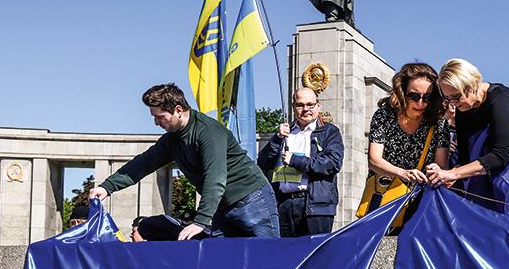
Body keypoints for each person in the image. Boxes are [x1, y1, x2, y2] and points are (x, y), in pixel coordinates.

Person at [89, 83, 279, 239]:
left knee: (268, 259)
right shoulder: (172, 139)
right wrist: (107, 187)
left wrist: (200, 221)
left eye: (160, 117)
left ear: (178, 110)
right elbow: (143, 163)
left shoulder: (209, 132)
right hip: (222, 206)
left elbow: (215, 178)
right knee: (228, 262)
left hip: (253, 201)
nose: (156, 123)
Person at [427, 59, 509, 224]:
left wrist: (453, 173)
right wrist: (444, 173)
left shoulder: (501, 98)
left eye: (457, 96)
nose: (453, 104)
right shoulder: (463, 111)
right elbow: (465, 158)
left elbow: (501, 155)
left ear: (474, 84)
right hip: (501, 181)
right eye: (448, 99)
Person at [257, 87, 344, 236]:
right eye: (300, 105)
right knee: (285, 255)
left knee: (315, 255)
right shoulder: (284, 132)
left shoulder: (330, 132)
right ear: (293, 107)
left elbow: (332, 163)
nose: (306, 109)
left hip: (316, 207)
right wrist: (276, 138)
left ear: (318, 106)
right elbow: (262, 163)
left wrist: (295, 160)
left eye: (310, 104)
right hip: (283, 205)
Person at [367, 63, 450, 189]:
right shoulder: (385, 115)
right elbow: (374, 160)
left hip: (420, 197)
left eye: (427, 97)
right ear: (402, 92)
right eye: (414, 96)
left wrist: (436, 169)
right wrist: (403, 173)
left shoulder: (439, 123)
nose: (420, 103)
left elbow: (442, 166)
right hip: (385, 194)